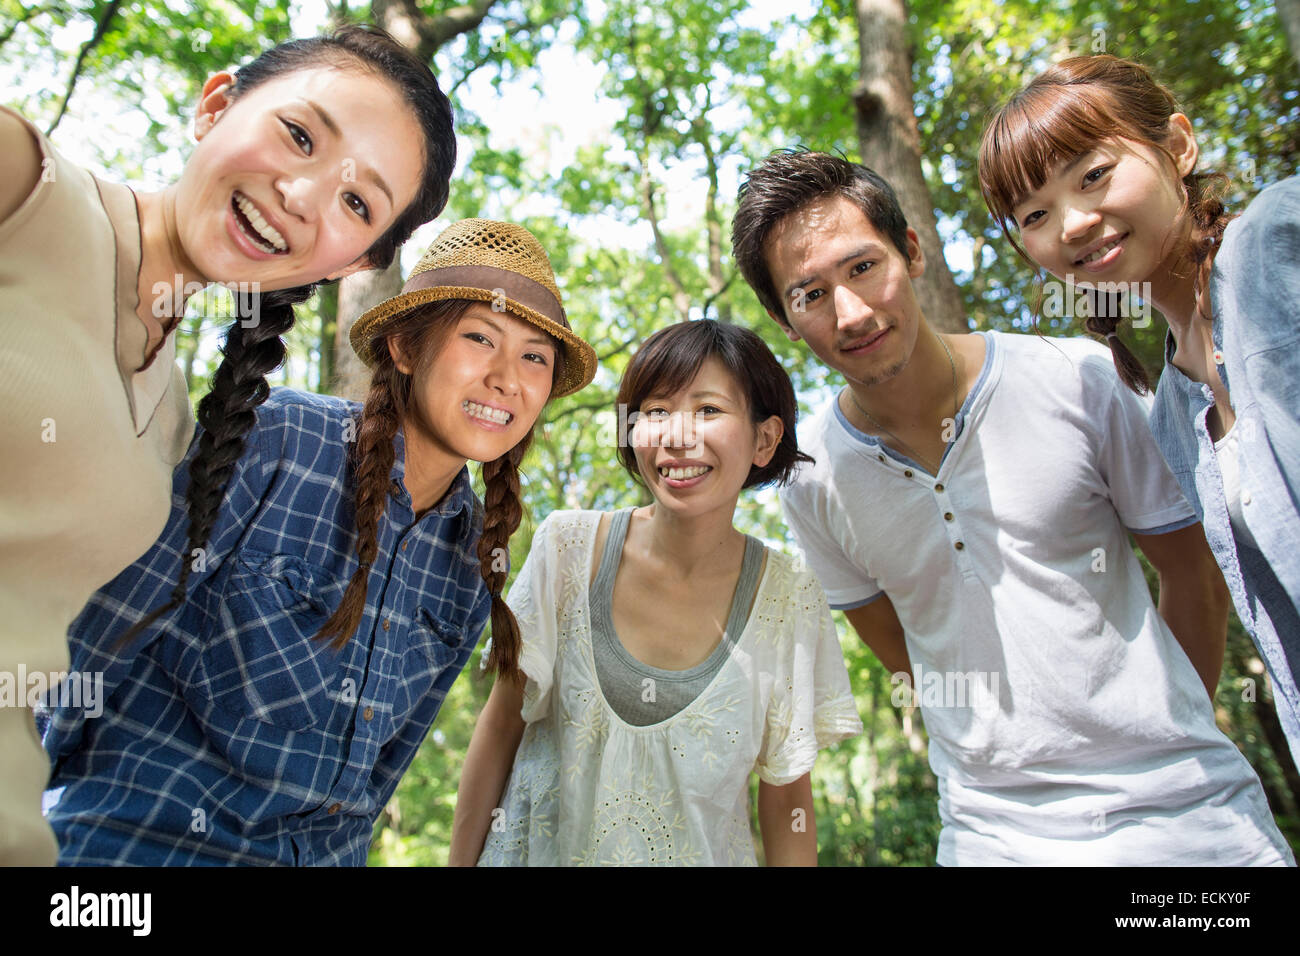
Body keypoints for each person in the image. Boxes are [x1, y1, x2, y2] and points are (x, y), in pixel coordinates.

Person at [730, 148, 1294, 866]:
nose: (852, 312)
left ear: (912, 251)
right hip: (990, 833)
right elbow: (906, 652)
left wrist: (1155, 728)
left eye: (863, 266)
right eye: (809, 294)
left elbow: (1195, 577)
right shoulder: (812, 481)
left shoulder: (1078, 378)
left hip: (1189, 812)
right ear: (785, 319)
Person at [1, 25, 456, 864]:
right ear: (215, 104)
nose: (305, 194)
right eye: (300, 135)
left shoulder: (179, 416)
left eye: (358, 204)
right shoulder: (30, 190)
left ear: (353, 257)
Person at [40, 219, 599, 865]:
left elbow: (379, 776)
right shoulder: (278, 438)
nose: (508, 377)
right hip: (134, 846)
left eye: (535, 356)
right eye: (480, 338)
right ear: (405, 348)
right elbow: (90, 637)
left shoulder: (474, 556)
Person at [978, 53, 1300, 765]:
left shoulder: (1281, 237)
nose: (1072, 223)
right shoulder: (1174, 411)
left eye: (1093, 175)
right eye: (1035, 214)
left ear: (1178, 145)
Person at [448, 320, 862, 866]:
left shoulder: (790, 597)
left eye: (709, 410)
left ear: (765, 439)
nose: (677, 435)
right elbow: (502, 725)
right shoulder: (568, 548)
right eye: (657, 412)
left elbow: (786, 796)